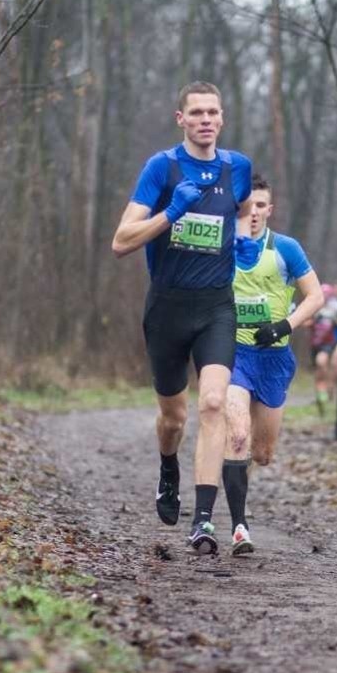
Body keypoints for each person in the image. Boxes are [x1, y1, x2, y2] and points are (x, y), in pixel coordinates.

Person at [111, 82, 254, 555]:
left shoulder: (238, 168)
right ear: (181, 119)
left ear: (222, 118)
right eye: (196, 113)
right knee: (173, 417)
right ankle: (168, 468)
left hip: (216, 305)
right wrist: (172, 210)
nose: (206, 120)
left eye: (213, 112)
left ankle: (203, 520)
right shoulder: (163, 167)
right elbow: (122, 241)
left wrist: (247, 243)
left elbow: (242, 215)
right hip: (168, 307)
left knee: (213, 403)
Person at [222, 178, 324, 555]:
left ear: (270, 209)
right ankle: (238, 522)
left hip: (274, 358)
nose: (253, 214)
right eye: (246, 207)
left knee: (262, 453)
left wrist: (285, 325)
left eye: (260, 206)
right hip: (233, 354)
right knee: (237, 433)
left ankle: (241, 484)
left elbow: (314, 296)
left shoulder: (285, 248)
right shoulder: (225, 247)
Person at [309, 282, 337, 415]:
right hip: (316, 345)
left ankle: (330, 388)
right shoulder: (315, 310)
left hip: (331, 343)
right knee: (319, 373)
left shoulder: (336, 308)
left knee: (329, 363)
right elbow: (307, 322)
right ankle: (321, 398)